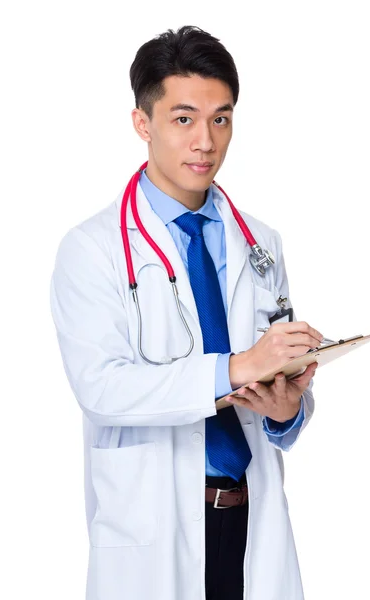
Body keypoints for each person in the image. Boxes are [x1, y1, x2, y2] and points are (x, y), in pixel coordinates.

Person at [50, 25, 323, 600]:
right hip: (155, 527)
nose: (206, 140)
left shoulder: (261, 243)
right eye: (184, 119)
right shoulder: (93, 249)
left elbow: (274, 394)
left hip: (250, 518)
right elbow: (102, 389)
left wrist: (287, 406)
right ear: (142, 124)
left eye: (221, 118)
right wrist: (236, 369)